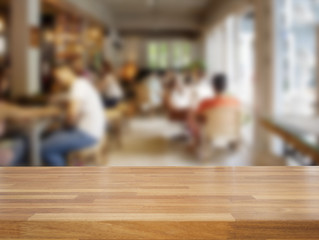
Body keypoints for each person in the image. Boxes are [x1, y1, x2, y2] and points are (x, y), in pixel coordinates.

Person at [41, 63, 106, 166]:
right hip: (92, 131)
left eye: (57, 76)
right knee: (52, 136)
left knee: (43, 148)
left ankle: (63, 179)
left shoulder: (78, 86)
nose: (57, 81)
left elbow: (71, 116)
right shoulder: (81, 84)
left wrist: (60, 125)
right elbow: (67, 100)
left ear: (66, 71)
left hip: (86, 134)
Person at [188, 73, 240, 150]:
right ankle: (231, 141)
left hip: (210, 132)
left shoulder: (205, 102)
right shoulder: (235, 101)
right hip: (231, 131)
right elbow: (238, 119)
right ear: (226, 86)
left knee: (192, 115)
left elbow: (197, 118)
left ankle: (196, 142)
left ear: (213, 86)